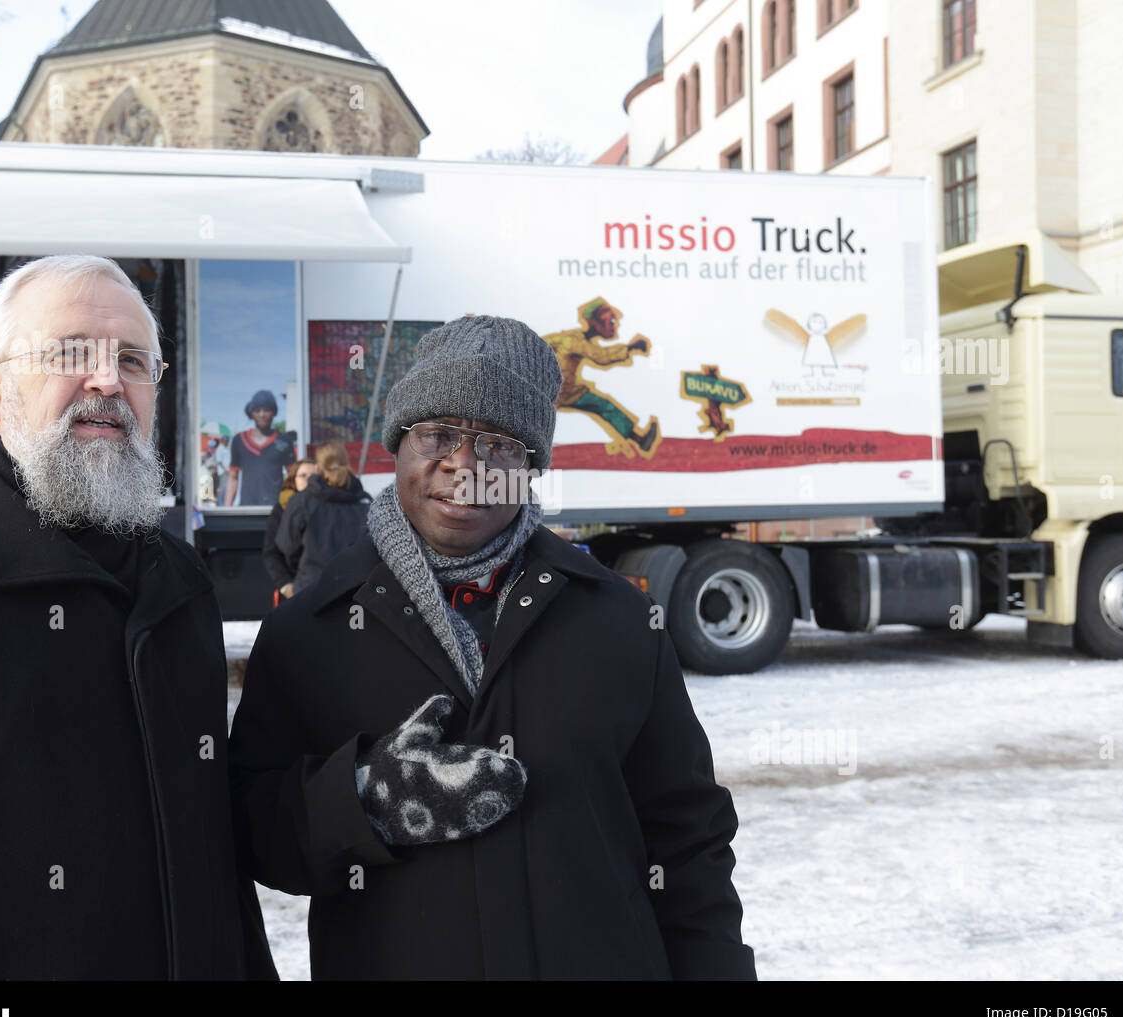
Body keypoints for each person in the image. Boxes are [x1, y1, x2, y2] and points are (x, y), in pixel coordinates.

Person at [229, 315, 756, 980]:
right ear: (400, 442)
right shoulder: (309, 631)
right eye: (440, 434)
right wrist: (361, 796)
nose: (466, 465)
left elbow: (689, 839)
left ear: (532, 465)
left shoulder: (620, 619)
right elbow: (253, 835)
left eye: (500, 444)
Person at [0, 254, 275, 980]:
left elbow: (216, 862)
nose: (109, 381)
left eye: (134, 361)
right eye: (72, 353)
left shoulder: (180, 578)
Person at [543, 296, 661, 459]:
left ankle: (640, 439)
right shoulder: (574, 341)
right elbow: (601, 356)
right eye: (607, 319)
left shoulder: (576, 338)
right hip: (554, 394)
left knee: (605, 406)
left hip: (569, 392)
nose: (613, 323)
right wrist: (630, 348)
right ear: (595, 322)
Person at [273, 442, 370, 598]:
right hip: (355, 593)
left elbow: (287, 547)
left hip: (310, 590)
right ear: (347, 464)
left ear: (317, 468)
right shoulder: (365, 501)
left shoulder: (301, 501)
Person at [223, 389, 297, 506]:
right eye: (257, 410)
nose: (262, 415)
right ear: (252, 413)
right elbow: (233, 478)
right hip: (247, 509)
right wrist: (226, 510)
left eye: (266, 410)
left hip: (275, 510)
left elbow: (293, 477)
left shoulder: (284, 441)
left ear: (274, 413)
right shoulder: (239, 440)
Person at [263, 456, 318, 603]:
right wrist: (286, 586)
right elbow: (271, 552)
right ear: (293, 479)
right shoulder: (281, 509)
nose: (308, 480)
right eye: (303, 476)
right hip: (292, 588)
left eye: (313, 476)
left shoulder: (328, 507)